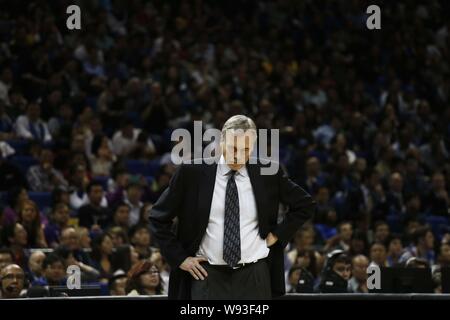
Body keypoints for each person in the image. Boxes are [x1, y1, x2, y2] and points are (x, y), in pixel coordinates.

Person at [149, 115, 315, 299]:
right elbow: (157, 218)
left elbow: (305, 204)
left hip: (255, 273)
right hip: (206, 274)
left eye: (246, 149)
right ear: (221, 141)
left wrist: (278, 235)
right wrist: (179, 258)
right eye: (233, 148)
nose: (239, 156)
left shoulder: (268, 172)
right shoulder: (192, 172)